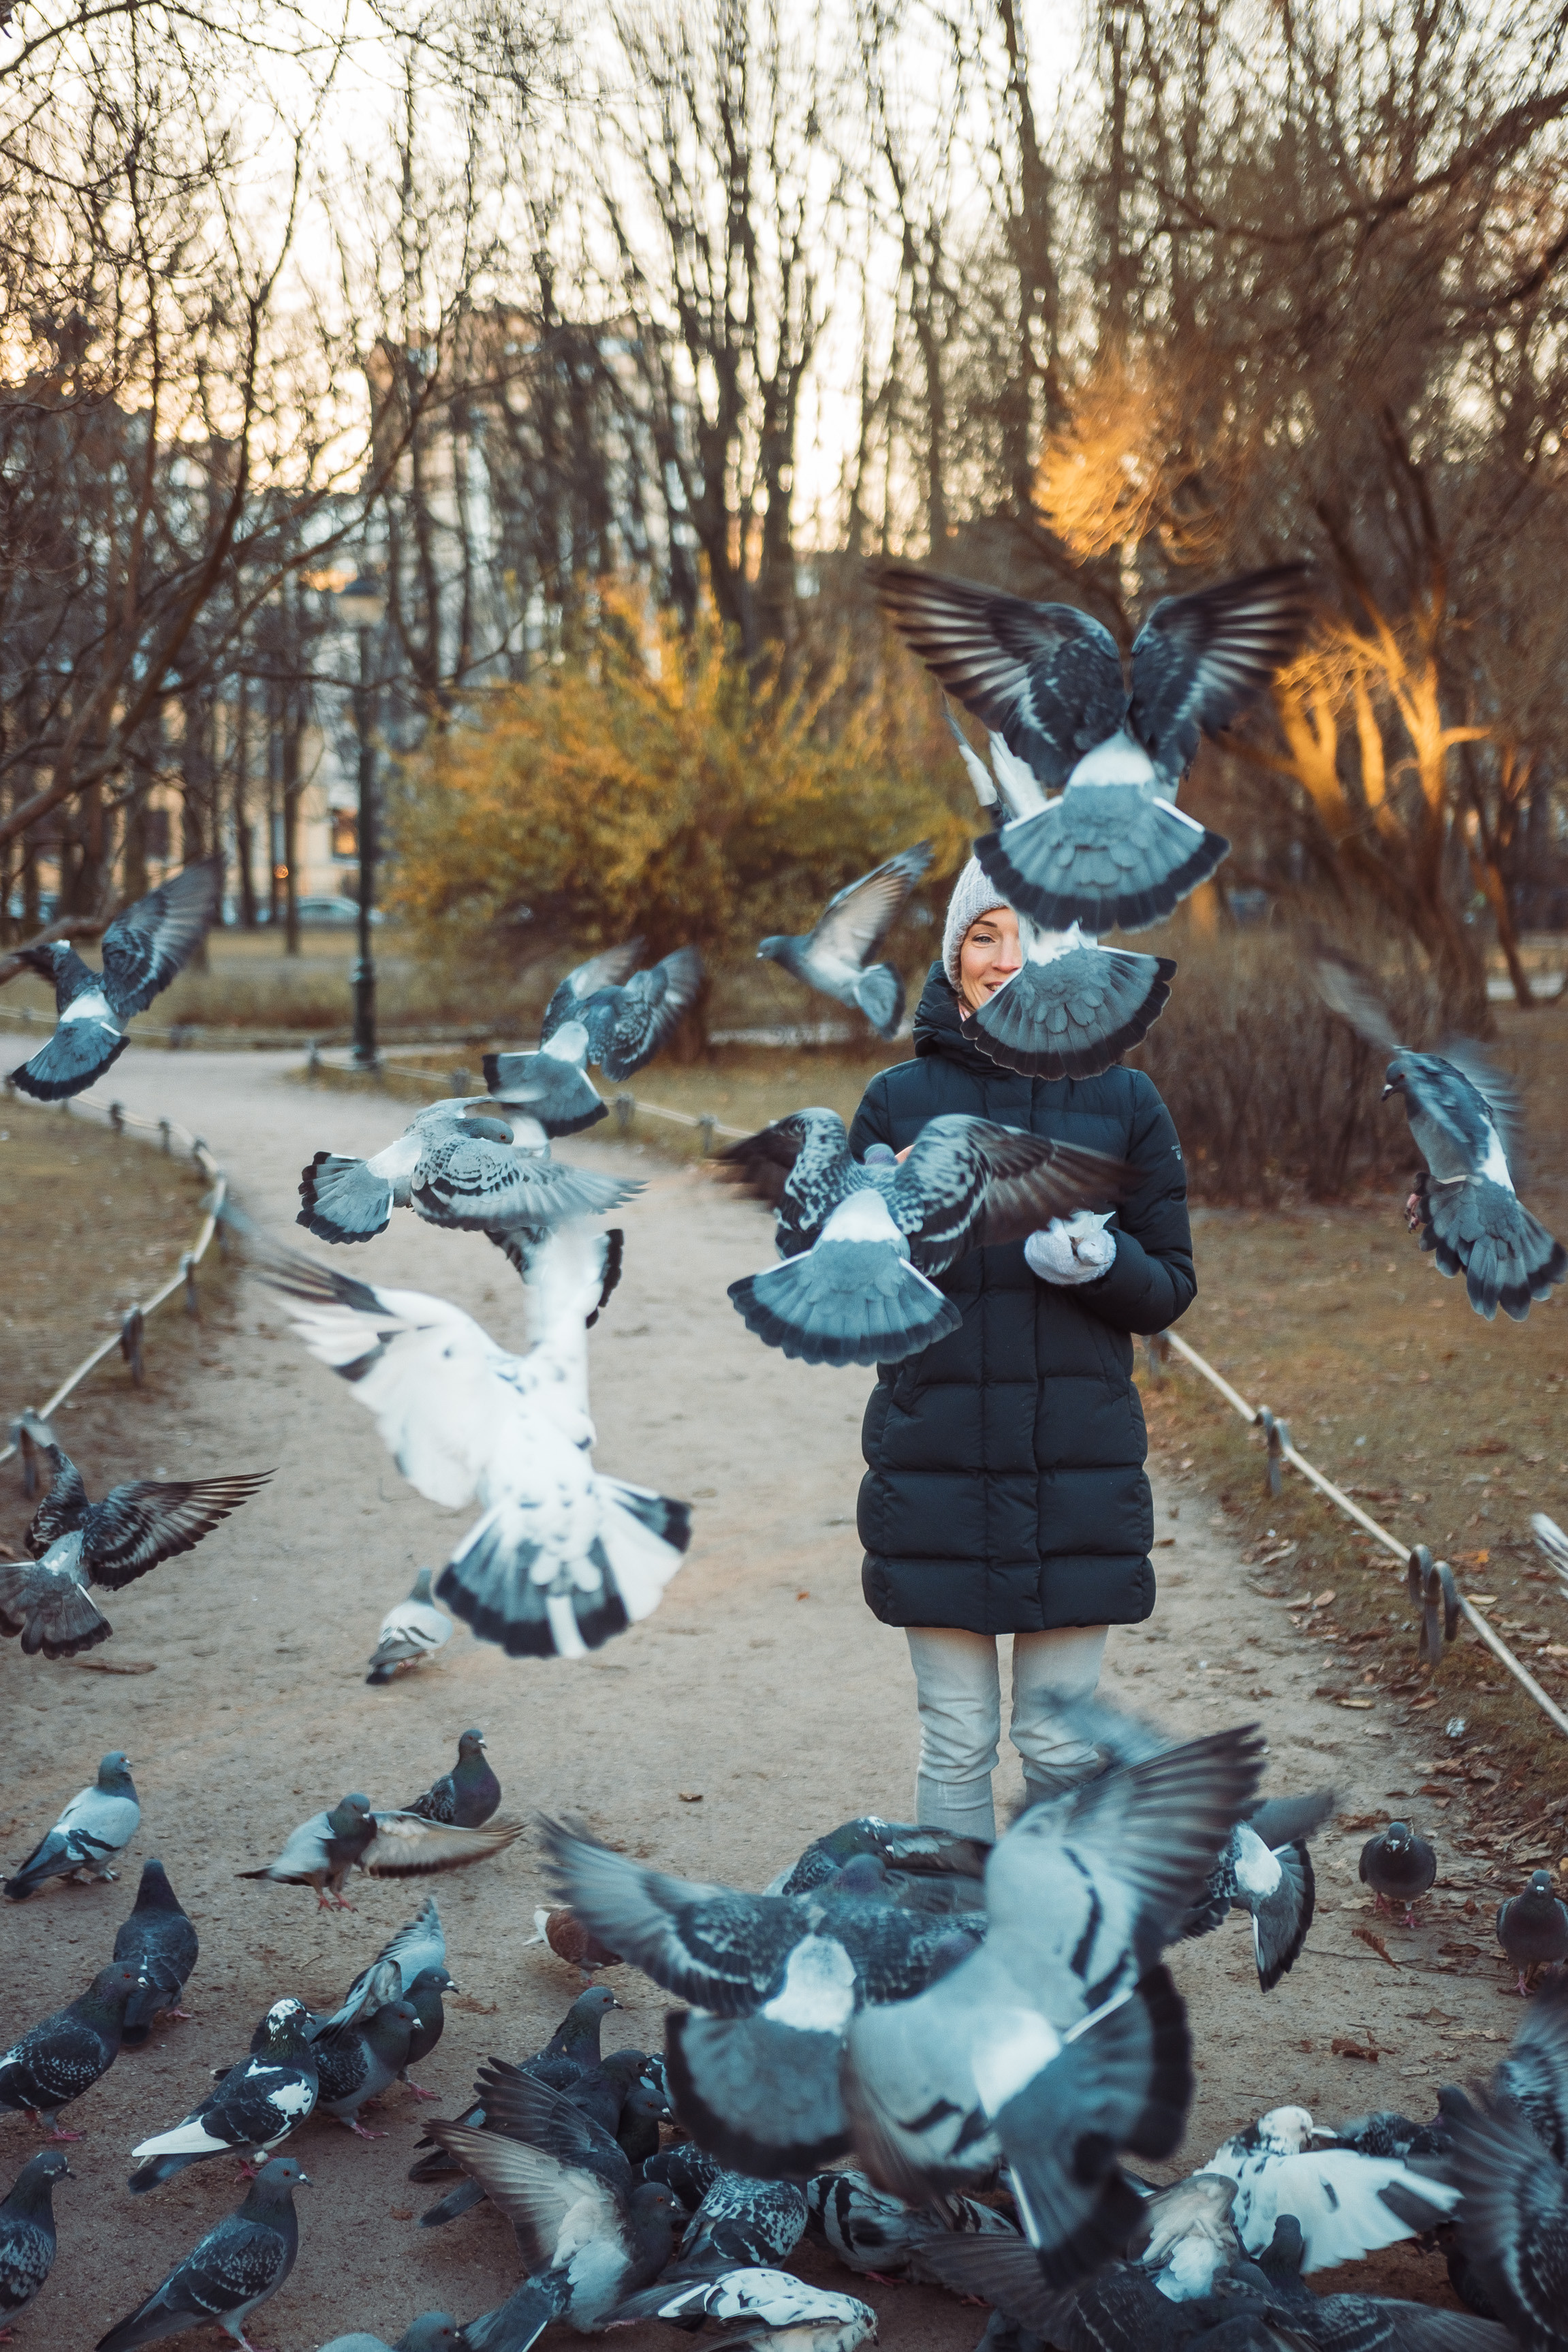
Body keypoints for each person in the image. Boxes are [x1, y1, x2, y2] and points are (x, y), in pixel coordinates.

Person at [847, 859, 1195, 1842]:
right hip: (937, 1470)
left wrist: (1102, 1261)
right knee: (955, 1735)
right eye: (983, 933)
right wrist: (894, 1222)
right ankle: (955, 1945)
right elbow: (853, 1297)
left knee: (1058, 1745)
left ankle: (1054, 1942)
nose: (1004, 957)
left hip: (1072, 1474)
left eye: (1027, 934)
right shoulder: (893, 1099)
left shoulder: (1127, 1102)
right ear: (954, 953)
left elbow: (1169, 1283)